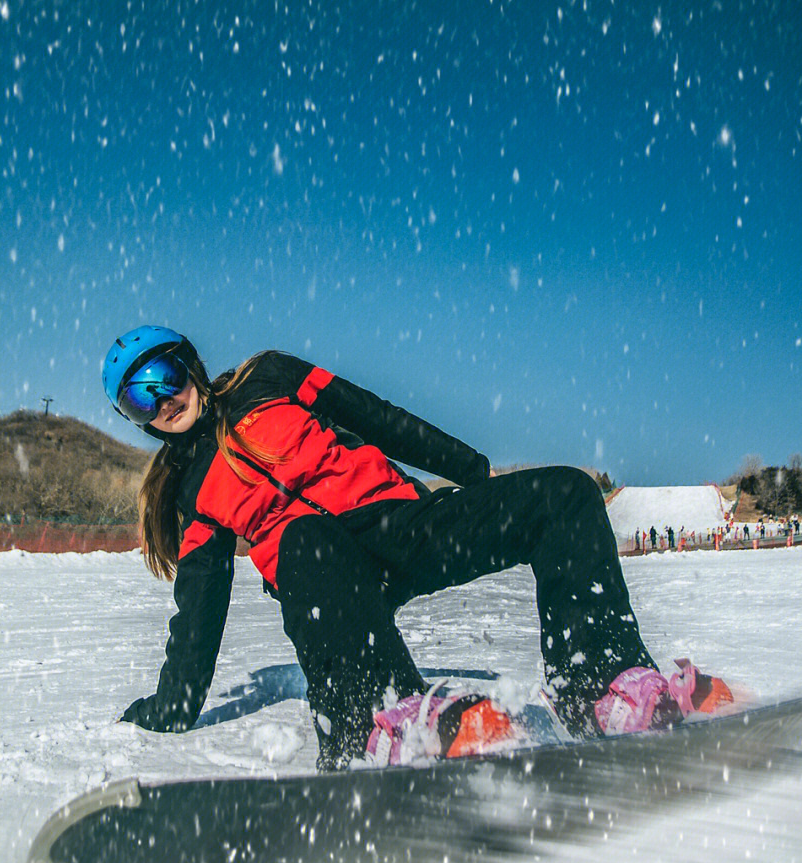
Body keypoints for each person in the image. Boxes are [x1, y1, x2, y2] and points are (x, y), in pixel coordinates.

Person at [104, 325, 734, 768]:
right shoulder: (190, 494)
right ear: (134, 417)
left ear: (187, 362)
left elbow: (376, 416)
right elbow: (199, 610)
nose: (161, 400)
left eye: (162, 376)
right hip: (325, 577)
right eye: (139, 397)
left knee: (566, 493)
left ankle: (601, 686)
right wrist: (171, 706)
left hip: (405, 529)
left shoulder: (268, 376)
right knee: (301, 536)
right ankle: (380, 725)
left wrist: (476, 476)